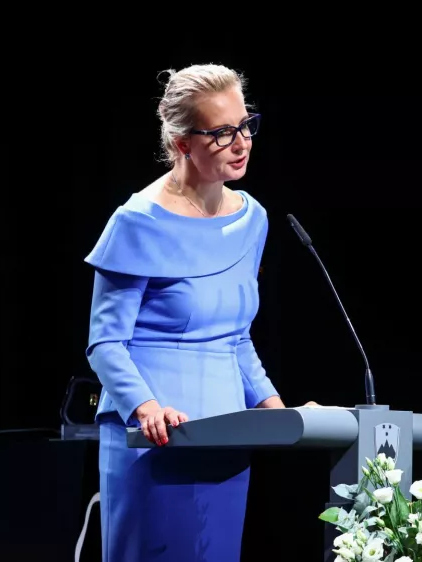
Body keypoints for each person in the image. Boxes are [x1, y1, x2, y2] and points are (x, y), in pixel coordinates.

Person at [84, 63, 290, 561]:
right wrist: (146, 408)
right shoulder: (137, 221)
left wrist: (277, 412)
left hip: (224, 440)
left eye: (246, 125)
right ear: (181, 143)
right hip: (153, 443)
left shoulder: (252, 219)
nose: (241, 142)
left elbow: (236, 338)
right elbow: (105, 343)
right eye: (222, 133)